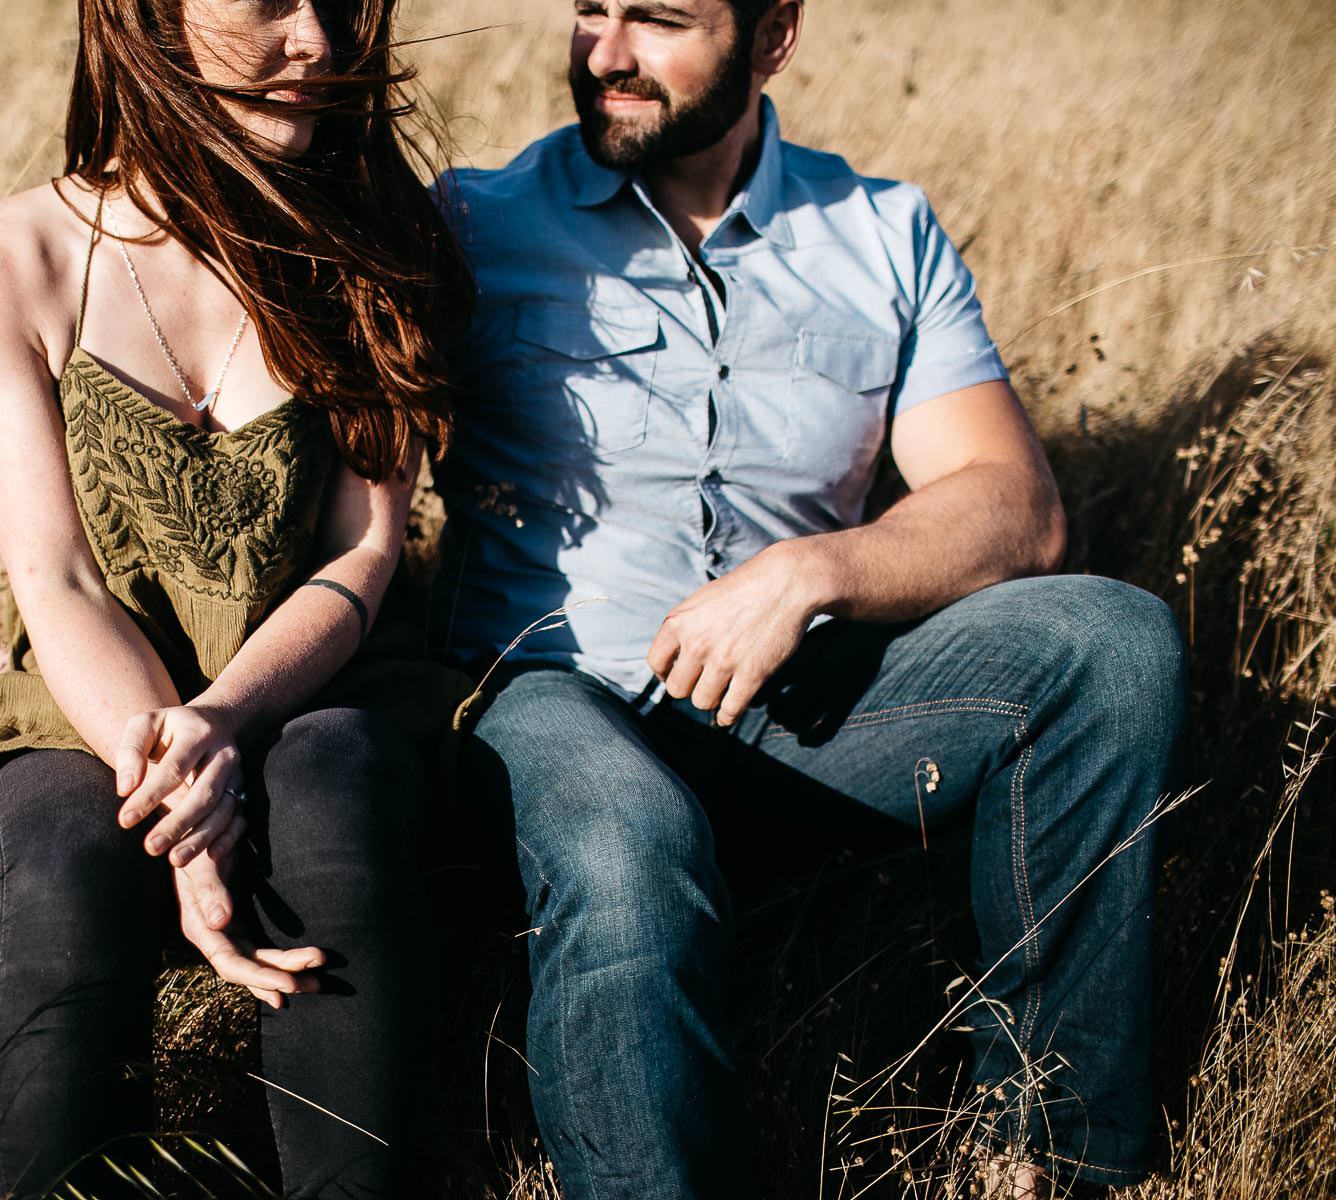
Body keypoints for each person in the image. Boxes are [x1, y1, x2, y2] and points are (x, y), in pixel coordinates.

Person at [430, 1, 1184, 1196]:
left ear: (774, 36)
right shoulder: (469, 221)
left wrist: (812, 571)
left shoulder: (882, 231)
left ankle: (1053, 1157)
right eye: (590, 11)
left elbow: (1012, 503)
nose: (607, 55)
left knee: (1110, 639)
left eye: (659, 19)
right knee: (630, 836)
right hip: (550, 701)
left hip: (797, 715)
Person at [0, 1, 470, 1196]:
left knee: (329, 799)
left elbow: (361, 556)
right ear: (148, 15)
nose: (320, 40)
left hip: (318, 677)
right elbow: (55, 576)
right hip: (93, 696)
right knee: (69, 868)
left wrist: (225, 725)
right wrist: (177, 795)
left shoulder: (373, 241)